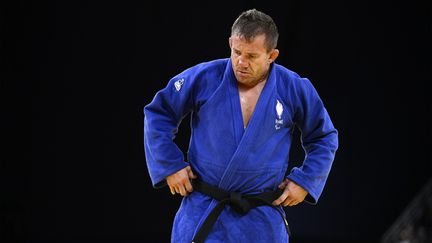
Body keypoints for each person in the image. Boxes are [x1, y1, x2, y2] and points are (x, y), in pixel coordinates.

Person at [143, 8, 338, 243]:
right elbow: (158, 113)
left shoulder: (293, 88)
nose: (241, 63)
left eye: (252, 56)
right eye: (237, 52)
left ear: (272, 55)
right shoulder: (204, 77)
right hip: (204, 212)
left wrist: (306, 181)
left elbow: (324, 137)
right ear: (230, 43)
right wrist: (169, 165)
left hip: (261, 219)